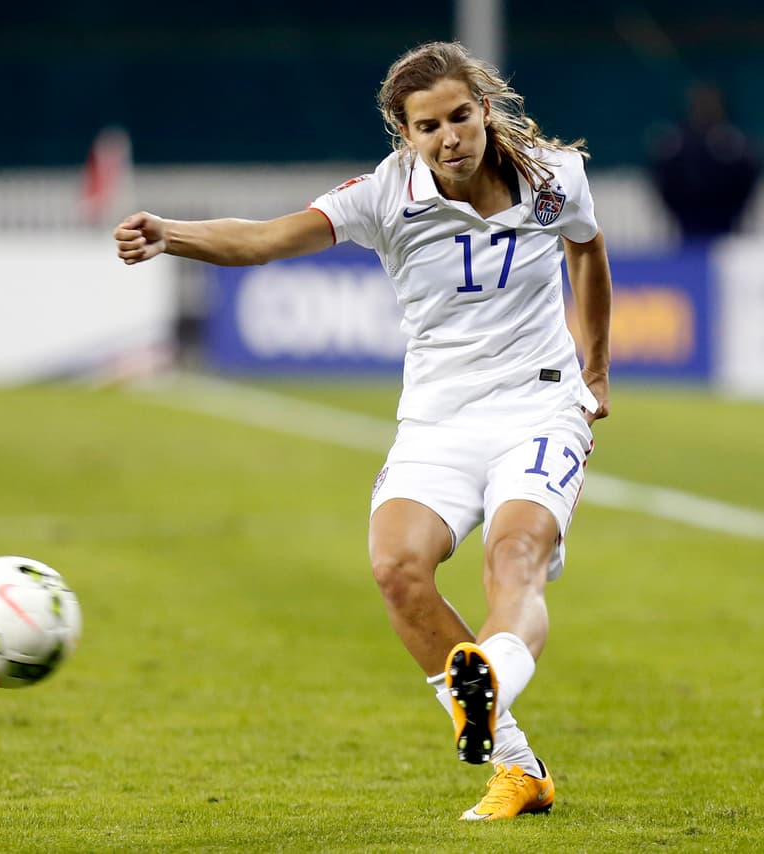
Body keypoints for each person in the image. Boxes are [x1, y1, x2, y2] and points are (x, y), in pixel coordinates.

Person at [114, 40, 612, 821]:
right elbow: (265, 239)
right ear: (403, 135)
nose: (450, 137)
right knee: (397, 569)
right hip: (436, 421)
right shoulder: (385, 196)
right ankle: (518, 765)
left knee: (513, 556)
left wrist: (597, 369)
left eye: (459, 116)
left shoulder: (554, 178)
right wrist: (169, 234)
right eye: (427, 126)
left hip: (538, 407)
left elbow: (586, 248)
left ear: (484, 109)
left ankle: (490, 677)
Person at [649, 83, 759, 241]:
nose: (706, 110)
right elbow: (663, 178)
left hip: (727, 226)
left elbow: (747, 175)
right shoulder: (678, 145)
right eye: (701, 104)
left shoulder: (735, 143)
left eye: (710, 104)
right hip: (688, 227)